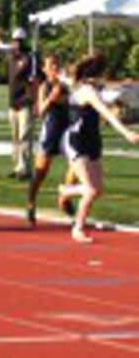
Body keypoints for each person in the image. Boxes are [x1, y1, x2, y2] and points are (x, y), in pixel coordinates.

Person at [58, 52, 139, 243]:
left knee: (99, 189)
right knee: (91, 190)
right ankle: (78, 228)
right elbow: (107, 114)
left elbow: (111, 85)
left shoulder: (93, 86)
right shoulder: (88, 91)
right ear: (93, 75)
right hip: (76, 141)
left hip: (92, 140)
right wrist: (126, 133)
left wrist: (128, 84)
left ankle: (66, 191)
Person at [0, 17, 39, 180]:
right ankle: (17, 166)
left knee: (25, 137)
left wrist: (35, 102)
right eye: (14, 40)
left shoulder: (30, 58)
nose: (16, 43)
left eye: (19, 41)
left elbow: (35, 81)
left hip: (25, 101)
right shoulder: (11, 55)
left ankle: (25, 169)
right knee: (15, 136)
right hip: (13, 102)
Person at [26, 54, 73, 226]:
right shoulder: (44, 86)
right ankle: (31, 203)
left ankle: (64, 197)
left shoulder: (66, 86)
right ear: (45, 70)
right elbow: (40, 112)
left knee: (76, 165)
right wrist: (51, 98)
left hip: (67, 131)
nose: (54, 68)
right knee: (40, 172)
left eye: (56, 65)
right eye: (50, 65)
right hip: (51, 131)